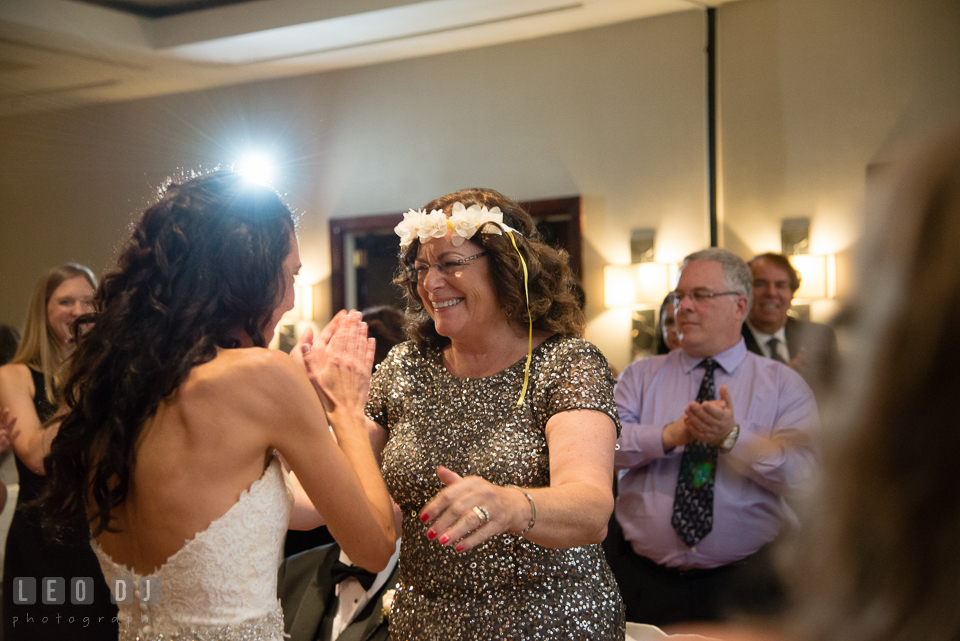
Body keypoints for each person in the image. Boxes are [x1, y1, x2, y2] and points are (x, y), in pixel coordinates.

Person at [36, 171, 396, 641]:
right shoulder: (262, 380)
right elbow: (376, 547)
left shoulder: (113, 391)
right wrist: (345, 410)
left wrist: (294, 411)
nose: (290, 300)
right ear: (248, 277)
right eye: (290, 276)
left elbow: (280, 509)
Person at [301, 188, 624, 639]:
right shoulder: (404, 368)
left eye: (451, 264)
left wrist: (511, 504)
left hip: (550, 623)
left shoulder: (567, 364)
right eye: (420, 268)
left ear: (507, 269)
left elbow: (591, 509)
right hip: (423, 626)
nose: (430, 284)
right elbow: (329, 490)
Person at [612, 247, 819, 627]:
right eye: (679, 296)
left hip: (747, 587)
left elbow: (806, 478)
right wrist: (670, 435)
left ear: (740, 306)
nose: (683, 307)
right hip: (645, 584)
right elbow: (604, 448)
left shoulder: (782, 385)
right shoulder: (639, 377)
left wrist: (733, 439)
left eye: (700, 296)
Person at [0, 263, 118, 640]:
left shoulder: (110, 376)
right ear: (44, 311)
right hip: (41, 542)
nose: (79, 311)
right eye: (66, 301)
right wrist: (80, 381)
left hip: (100, 533)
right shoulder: (14, 376)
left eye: (88, 301)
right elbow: (37, 457)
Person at [741, 253, 838, 389]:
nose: (771, 293)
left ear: (792, 294)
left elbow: (836, 394)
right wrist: (784, 377)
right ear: (744, 292)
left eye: (780, 285)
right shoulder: (728, 342)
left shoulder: (820, 336)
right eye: (761, 284)